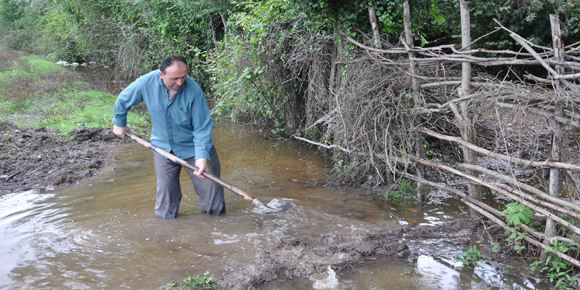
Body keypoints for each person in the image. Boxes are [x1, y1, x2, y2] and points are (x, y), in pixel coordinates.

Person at [112, 55, 225, 218]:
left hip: (193, 148)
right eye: (174, 79)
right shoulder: (146, 83)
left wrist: (202, 157)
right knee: (166, 195)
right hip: (162, 148)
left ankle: (215, 227)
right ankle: (166, 231)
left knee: (211, 193)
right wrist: (119, 123)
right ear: (161, 75)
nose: (180, 83)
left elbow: (202, 127)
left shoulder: (193, 89)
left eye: (183, 77)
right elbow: (123, 100)